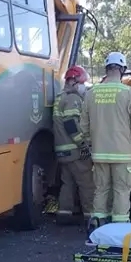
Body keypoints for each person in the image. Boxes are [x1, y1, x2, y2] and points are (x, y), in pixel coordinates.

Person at [80, 51, 131, 232]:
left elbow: (83, 126)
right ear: (123, 69)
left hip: (99, 153)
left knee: (101, 190)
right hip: (123, 153)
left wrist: (89, 142)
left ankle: (97, 227)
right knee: (121, 191)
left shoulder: (91, 92)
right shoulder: (129, 93)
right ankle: (119, 230)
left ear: (106, 68)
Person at [52, 65, 95, 225]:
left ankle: (64, 214)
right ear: (73, 81)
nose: (84, 86)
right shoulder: (73, 98)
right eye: (83, 82)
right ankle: (91, 217)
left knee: (67, 184)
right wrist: (83, 144)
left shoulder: (60, 98)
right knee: (86, 184)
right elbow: (70, 123)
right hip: (75, 151)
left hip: (63, 152)